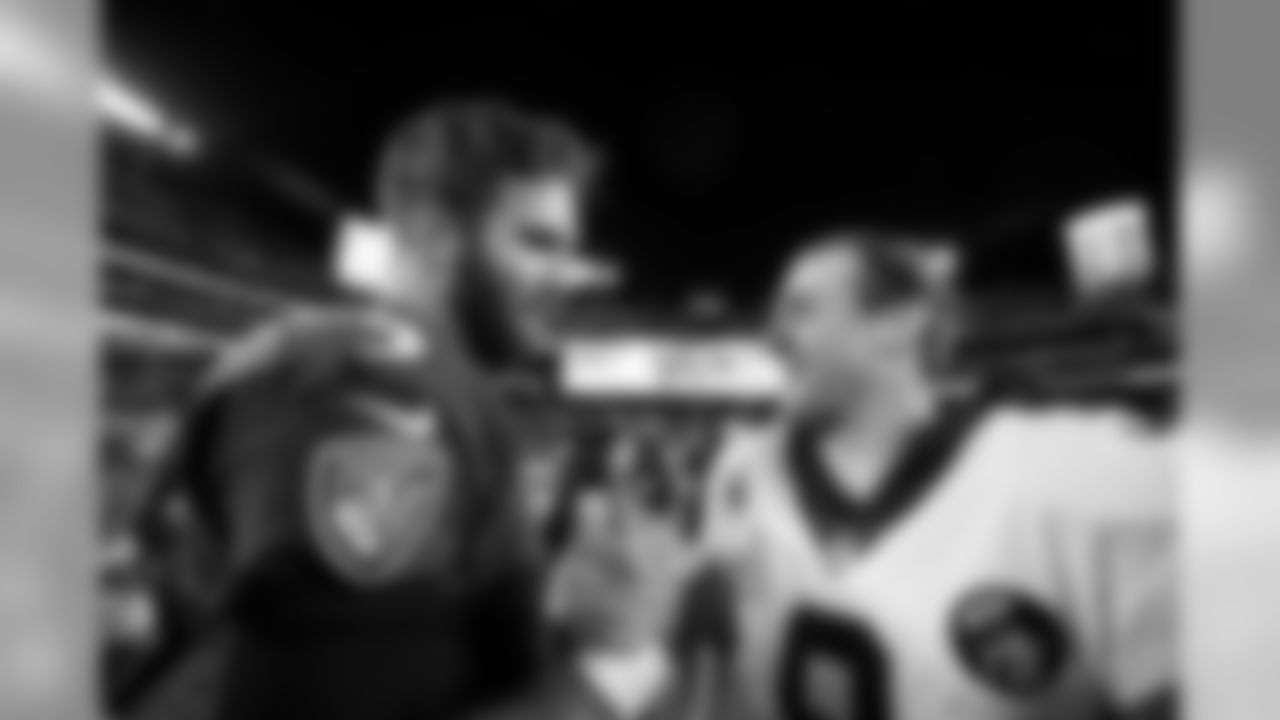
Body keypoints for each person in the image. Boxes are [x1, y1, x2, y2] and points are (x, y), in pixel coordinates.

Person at [117, 98, 604, 720]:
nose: (566, 277)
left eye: (568, 250)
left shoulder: (420, 384)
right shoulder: (375, 384)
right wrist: (608, 680)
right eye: (537, 242)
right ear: (434, 235)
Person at [686, 230, 1177, 720]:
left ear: (897, 325)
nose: (770, 337)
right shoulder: (748, 469)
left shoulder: (1082, 479)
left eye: (801, 309)